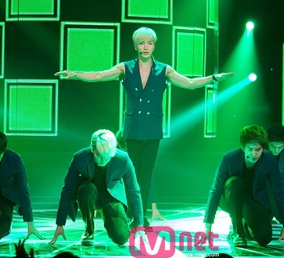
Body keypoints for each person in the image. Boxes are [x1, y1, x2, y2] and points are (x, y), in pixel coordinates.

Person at [55, 27, 234, 223]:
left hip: (152, 130)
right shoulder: (125, 68)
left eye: (149, 43)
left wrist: (213, 78)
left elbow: (189, 83)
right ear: (136, 46)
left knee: (146, 175)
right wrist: (74, 74)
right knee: (130, 173)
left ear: (154, 45)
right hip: (133, 129)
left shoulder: (164, 69)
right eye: (141, 43)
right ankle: (131, 214)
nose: (145, 47)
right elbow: (99, 76)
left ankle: (140, 217)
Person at [204, 125, 284, 248]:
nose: (254, 153)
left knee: (264, 238)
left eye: (258, 149)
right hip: (231, 197)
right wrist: (208, 226)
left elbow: (278, 191)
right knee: (235, 182)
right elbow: (215, 190)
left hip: (253, 200)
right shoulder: (229, 158)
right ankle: (237, 232)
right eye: (250, 149)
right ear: (243, 147)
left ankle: (243, 225)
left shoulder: (269, 159)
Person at [50, 129, 143, 246]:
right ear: (92, 149)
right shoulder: (80, 157)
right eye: (98, 155)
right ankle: (89, 230)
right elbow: (68, 189)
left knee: (121, 238)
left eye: (107, 155)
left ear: (113, 151)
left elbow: (134, 190)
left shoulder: (123, 159)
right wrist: (60, 224)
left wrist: (139, 224)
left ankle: (118, 222)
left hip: (111, 196)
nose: (102, 159)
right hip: (89, 194)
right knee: (86, 189)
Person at [116, 129, 164, 222]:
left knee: (144, 180)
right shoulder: (118, 156)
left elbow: (149, 181)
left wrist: (154, 207)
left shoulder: (136, 157)